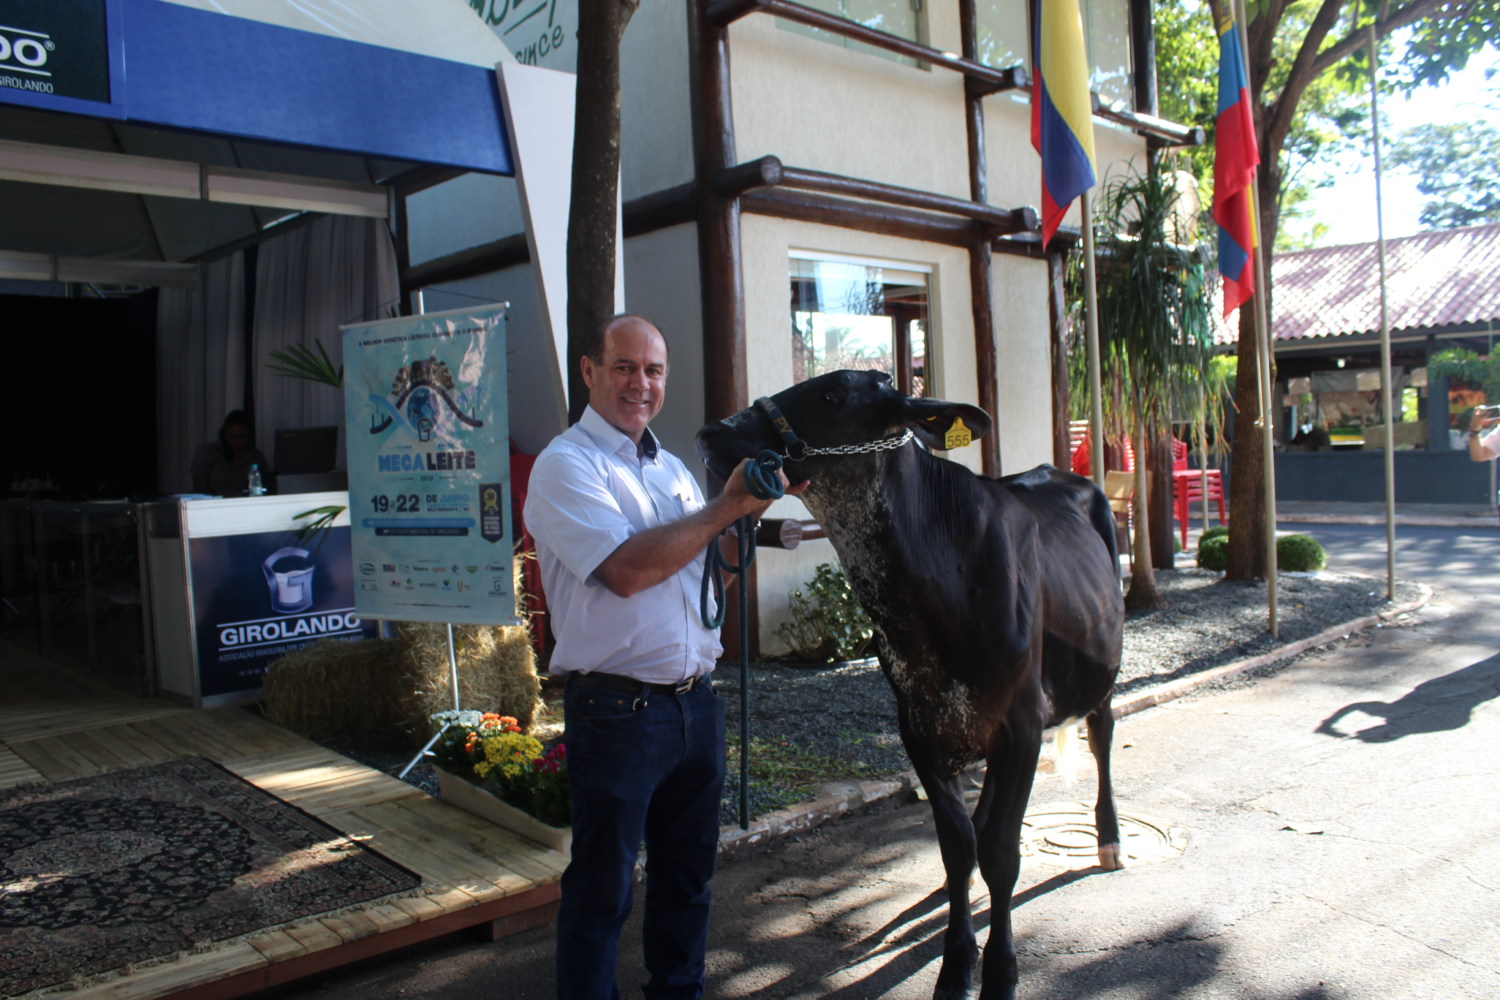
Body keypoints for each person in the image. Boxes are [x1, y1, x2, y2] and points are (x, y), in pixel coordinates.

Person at [523, 314, 806, 1000]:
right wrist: (724, 506)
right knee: (602, 893)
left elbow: (712, 581)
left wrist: (745, 516)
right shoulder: (565, 464)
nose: (640, 384)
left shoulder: (673, 470)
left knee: (686, 885)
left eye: (653, 371)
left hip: (694, 705)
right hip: (618, 711)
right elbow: (623, 570)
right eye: (624, 367)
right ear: (590, 371)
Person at [191, 410, 272, 495]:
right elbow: (199, 488)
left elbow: (266, 485)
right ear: (225, 434)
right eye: (233, 437)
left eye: (242, 437)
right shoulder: (207, 452)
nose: (237, 442)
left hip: (245, 504)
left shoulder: (256, 456)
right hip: (213, 503)